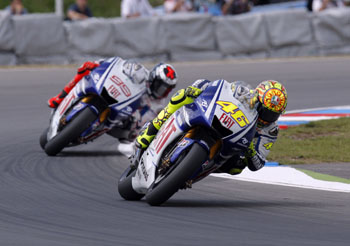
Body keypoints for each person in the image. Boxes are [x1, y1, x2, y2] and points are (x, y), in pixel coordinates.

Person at [136, 79, 287, 174]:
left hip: (234, 144)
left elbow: (258, 163)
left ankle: (195, 170)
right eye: (265, 110)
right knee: (186, 94)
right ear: (257, 99)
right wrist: (201, 89)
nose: (267, 117)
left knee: (237, 167)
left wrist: (251, 150)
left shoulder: (271, 130)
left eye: (272, 114)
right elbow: (221, 89)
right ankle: (152, 129)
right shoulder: (243, 92)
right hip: (220, 119)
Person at [48, 58, 177, 156]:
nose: (161, 91)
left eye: (165, 89)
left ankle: (94, 130)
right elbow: (119, 65)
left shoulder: (159, 105)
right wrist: (105, 64)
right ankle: (60, 97)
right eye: (160, 86)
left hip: (125, 119)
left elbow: (153, 124)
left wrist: (139, 125)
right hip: (116, 96)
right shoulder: (141, 73)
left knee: (133, 133)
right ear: (153, 78)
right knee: (87, 67)